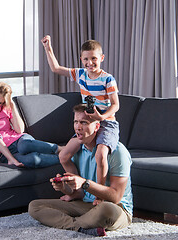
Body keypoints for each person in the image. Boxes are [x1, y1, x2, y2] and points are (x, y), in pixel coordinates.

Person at [28, 104, 133, 237]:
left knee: (106, 209)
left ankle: (72, 224)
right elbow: (79, 194)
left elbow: (116, 197)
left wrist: (84, 183)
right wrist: (64, 188)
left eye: (84, 122)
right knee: (34, 206)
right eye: (76, 122)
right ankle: (81, 227)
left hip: (117, 208)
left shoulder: (118, 152)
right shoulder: (77, 151)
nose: (78, 127)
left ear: (96, 126)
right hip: (86, 205)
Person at [41, 35, 120, 205]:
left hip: (107, 122)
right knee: (64, 156)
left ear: (101, 58)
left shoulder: (108, 79)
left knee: (100, 155)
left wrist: (102, 117)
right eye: (86, 59)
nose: (89, 63)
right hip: (87, 122)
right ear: (81, 59)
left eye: (93, 59)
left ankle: (99, 195)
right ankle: (78, 192)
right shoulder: (80, 74)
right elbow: (55, 68)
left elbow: (115, 105)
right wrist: (48, 48)